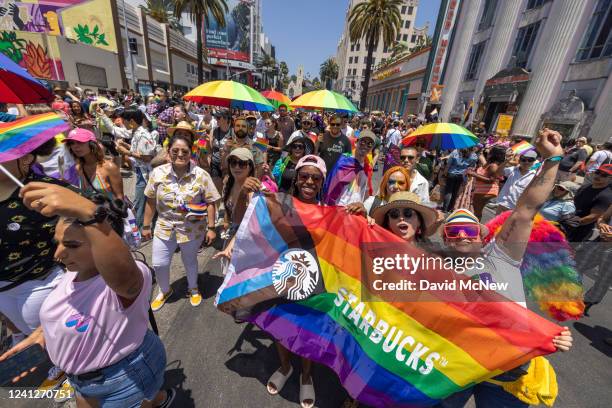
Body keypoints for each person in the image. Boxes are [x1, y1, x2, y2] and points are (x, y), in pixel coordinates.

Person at [435, 129, 573, 407]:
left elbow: (525, 209)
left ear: (481, 235)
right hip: (459, 365)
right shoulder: (438, 273)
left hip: (510, 369)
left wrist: (553, 159)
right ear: (446, 240)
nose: (462, 235)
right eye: (453, 231)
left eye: (468, 229)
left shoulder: (503, 254)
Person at [3, 183, 174, 408]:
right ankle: (157, 399)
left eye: (72, 245)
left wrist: (89, 213)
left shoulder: (128, 277)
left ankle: (157, 399)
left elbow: (127, 281)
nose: (58, 254)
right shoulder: (73, 272)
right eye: (58, 243)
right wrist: (43, 334)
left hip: (123, 376)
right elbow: (75, 308)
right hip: (83, 381)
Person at [0, 137, 71, 390]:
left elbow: (90, 212)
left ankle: (77, 374)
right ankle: (64, 367)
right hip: (4, 289)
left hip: (39, 283)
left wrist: (66, 229)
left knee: (60, 339)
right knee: (37, 340)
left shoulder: (44, 188)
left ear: (26, 157)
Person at [265, 154, 327, 408]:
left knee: (307, 331)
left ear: (322, 182)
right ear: (296, 178)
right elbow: (249, 224)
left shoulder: (329, 212)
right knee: (281, 327)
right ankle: (285, 366)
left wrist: (362, 216)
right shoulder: (281, 203)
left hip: (314, 281)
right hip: (282, 275)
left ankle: (306, 375)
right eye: (304, 176)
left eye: (315, 177)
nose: (309, 181)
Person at [143, 133, 220, 311]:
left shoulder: (201, 175)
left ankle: (193, 287)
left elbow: (210, 202)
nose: (180, 154)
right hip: (164, 226)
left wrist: (212, 228)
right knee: (159, 263)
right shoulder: (157, 173)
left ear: (191, 152)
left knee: (190, 260)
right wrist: (146, 225)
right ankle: (165, 290)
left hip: (191, 228)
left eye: (184, 151)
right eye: (175, 151)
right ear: (168, 153)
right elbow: (150, 201)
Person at [99, 108, 157, 228]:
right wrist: (103, 115)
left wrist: (126, 152)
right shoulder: (136, 132)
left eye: (124, 121)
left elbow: (147, 157)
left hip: (145, 174)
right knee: (146, 201)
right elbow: (116, 130)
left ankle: (140, 230)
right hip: (141, 173)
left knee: (140, 203)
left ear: (131, 121)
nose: (122, 123)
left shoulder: (143, 135)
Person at [64, 128, 124, 201]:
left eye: (80, 142)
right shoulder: (78, 168)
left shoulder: (109, 167)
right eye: (71, 143)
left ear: (91, 144)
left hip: (109, 211)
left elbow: (120, 197)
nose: (75, 146)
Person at [323, 130, 375, 206]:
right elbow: (331, 186)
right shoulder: (344, 161)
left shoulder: (367, 168)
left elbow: (366, 190)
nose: (365, 146)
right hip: (339, 207)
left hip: (355, 210)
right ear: (356, 143)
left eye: (369, 144)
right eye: (363, 142)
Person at [566, 164, 612, 242]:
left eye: (604, 175)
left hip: (578, 230)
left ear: (610, 179)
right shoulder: (586, 186)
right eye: (598, 172)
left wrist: (573, 223)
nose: (598, 176)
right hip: (568, 220)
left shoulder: (606, 196)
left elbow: (593, 217)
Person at [372, 191, 438, 243]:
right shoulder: (376, 250)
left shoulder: (430, 256)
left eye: (408, 213)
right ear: (388, 222)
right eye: (394, 214)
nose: (401, 218)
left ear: (419, 221)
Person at [582, 204, 612, 318]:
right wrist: (602, 224)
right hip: (600, 241)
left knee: (603, 281)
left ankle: (586, 303)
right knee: (577, 265)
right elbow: (603, 218)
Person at [467, 146, 506, 218]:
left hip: (486, 190)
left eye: (490, 151)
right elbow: (481, 158)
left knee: (477, 211)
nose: (487, 152)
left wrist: (474, 174)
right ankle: (475, 226)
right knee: (476, 210)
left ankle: (476, 227)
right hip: (482, 189)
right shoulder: (489, 164)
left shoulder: (493, 165)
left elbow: (491, 180)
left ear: (493, 154)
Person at [442, 148, 478, 212]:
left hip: (451, 173)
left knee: (448, 191)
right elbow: (471, 167)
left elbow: (448, 164)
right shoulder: (474, 156)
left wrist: (444, 173)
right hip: (462, 175)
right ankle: (450, 208)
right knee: (455, 192)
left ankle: (445, 208)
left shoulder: (455, 151)